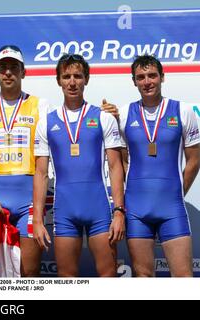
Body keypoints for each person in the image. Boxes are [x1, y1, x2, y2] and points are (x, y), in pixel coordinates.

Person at [33, 53, 125, 277]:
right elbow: (41, 172)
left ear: (87, 79)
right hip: (65, 211)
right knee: (67, 281)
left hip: (100, 210)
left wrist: (119, 212)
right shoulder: (46, 121)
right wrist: (37, 219)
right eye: (66, 76)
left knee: (108, 277)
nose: (72, 82)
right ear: (58, 81)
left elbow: (115, 167)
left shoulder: (103, 118)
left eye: (77, 76)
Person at [0, 45, 53, 276]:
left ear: (23, 72)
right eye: (3, 68)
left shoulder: (41, 106)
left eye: (13, 68)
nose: (8, 73)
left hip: (30, 198)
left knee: (29, 272)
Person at [119, 55, 200, 277]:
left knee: (184, 278)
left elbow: (194, 158)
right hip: (136, 210)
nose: (147, 82)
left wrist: (177, 191)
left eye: (152, 75)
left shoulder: (183, 111)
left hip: (171, 208)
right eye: (141, 77)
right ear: (134, 81)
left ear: (162, 77)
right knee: (144, 278)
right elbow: (122, 159)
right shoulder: (125, 113)